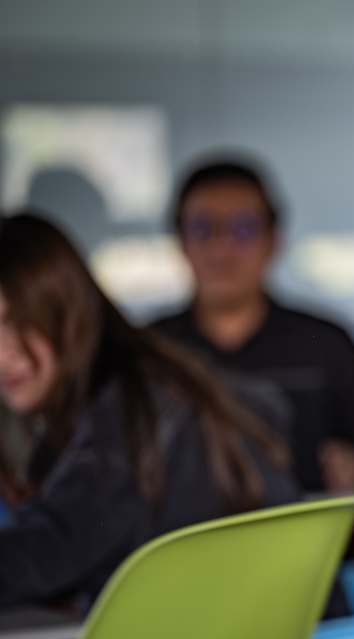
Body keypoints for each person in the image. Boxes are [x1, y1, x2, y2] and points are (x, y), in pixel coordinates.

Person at [0, 213, 297, 607]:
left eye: (21, 324)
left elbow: (47, 554)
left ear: (67, 312)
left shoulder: (131, 407)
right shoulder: (148, 377)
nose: (5, 353)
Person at [151, 157, 354, 495]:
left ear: (275, 240)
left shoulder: (324, 344)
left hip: (302, 543)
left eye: (243, 229)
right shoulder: (149, 351)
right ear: (180, 240)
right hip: (177, 543)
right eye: (203, 228)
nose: (222, 249)